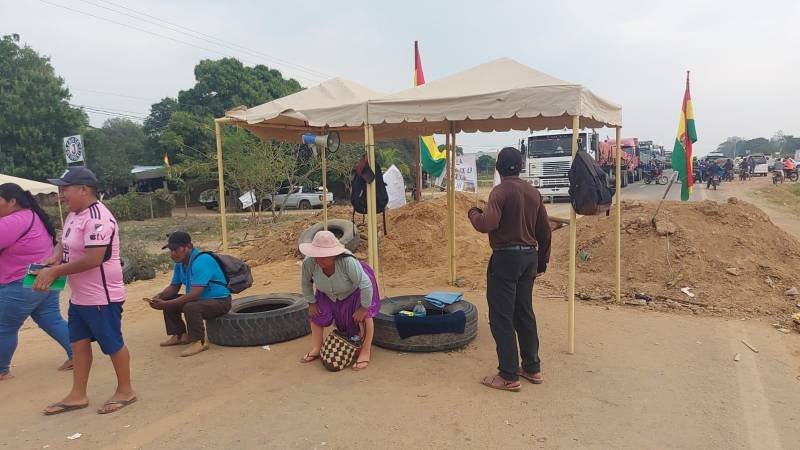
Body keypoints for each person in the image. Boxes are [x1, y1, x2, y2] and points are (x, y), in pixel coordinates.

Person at [36, 167, 136, 415]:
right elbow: (65, 241)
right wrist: (55, 257)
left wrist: (55, 272)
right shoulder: (74, 214)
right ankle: (77, 395)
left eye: (65, 188)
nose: (61, 194)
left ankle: (126, 390)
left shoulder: (98, 218)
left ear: (83, 189)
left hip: (102, 296)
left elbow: (93, 259)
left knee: (113, 343)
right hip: (80, 296)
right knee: (78, 343)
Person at [468, 147, 551, 392]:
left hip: (505, 259)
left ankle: (507, 375)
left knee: (501, 317)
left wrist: (473, 213)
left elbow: (487, 223)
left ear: (498, 168)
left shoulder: (500, 191)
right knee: (524, 312)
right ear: (522, 166)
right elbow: (544, 231)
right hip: (529, 259)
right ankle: (532, 367)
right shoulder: (533, 193)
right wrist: (542, 261)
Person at [0, 183, 73, 381]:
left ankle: (1, 370)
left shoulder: (13, 220)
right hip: (45, 277)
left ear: (12, 201)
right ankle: (77, 354)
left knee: (4, 326)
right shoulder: (33, 215)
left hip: (21, 282)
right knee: (51, 318)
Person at [299, 231, 380, 371]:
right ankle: (317, 347)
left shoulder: (347, 262)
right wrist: (311, 302)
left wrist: (364, 308)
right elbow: (305, 283)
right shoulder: (309, 262)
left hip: (354, 291)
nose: (320, 259)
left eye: (324, 255)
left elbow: (365, 285)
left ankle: (366, 351)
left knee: (364, 318)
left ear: (335, 254)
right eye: (317, 255)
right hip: (326, 293)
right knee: (316, 315)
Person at [148, 231, 231, 357]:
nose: (173, 254)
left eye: (176, 250)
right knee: (171, 299)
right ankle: (180, 335)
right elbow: (174, 287)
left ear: (189, 247)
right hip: (200, 300)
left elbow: (194, 295)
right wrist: (160, 297)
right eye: (171, 250)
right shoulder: (180, 264)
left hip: (220, 301)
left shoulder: (202, 261)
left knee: (190, 306)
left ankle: (200, 341)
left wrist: (166, 304)